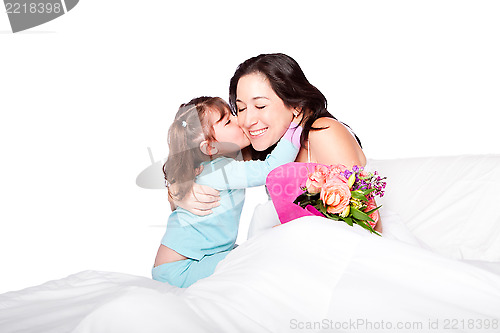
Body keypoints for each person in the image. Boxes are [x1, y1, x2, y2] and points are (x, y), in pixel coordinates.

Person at [172, 53, 386, 236]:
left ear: (294, 105)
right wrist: (179, 192)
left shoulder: (323, 133)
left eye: (260, 105)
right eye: (242, 108)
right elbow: (194, 159)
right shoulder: (265, 146)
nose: (246, 121)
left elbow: (368, 222)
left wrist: (286, 235)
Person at [153, 96, 300, 288]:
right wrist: (296, 125)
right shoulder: (220, 170)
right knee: (256, 257)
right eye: (229, 121)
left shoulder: (213, 167)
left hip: (192, 261)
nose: (239, 120)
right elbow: (270, 169)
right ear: (210, 147)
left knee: (256, 253)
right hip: (182, 268)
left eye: (232, 114)